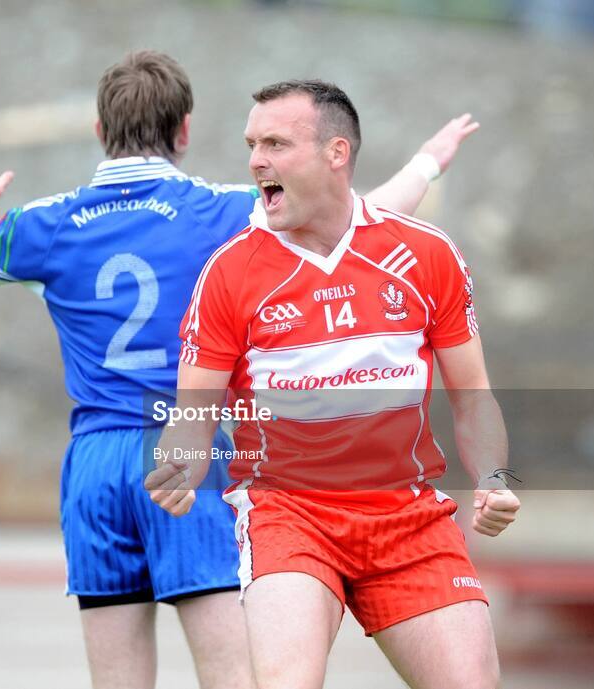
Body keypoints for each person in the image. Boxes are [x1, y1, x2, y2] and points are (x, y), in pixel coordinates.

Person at [0, 51, 478, 689]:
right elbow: (360, 216)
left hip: (96, 463)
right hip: (189, 447)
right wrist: (428, 161)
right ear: (184, 130)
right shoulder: (222, 211)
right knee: (233, 675)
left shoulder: (46, 223)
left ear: (100, 131)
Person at [146, 79, 519, 689]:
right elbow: (192, 415)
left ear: (335, 153)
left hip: (408, 517)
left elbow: (474, 398)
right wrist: (179, 466)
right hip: (288, 516)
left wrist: (495, 480)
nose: (255, 161)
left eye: (275, 143)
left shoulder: (427, 254)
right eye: (251, 144)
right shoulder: (229, 272)